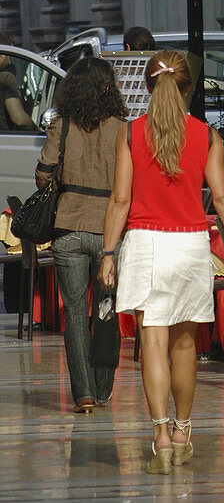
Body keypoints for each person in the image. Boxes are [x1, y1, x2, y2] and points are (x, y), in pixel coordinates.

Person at [99, 50, 224, 475]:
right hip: (190, 245)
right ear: (188, 87)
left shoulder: (131, 134)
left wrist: (109, 252)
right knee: (185, 344)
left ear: (148, 86)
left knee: (152, 341)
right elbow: (223, 198)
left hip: (146, 244)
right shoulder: (206, 135)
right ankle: (185, 431)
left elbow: (120, 200)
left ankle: (161, 436)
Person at [35, 57, 128, 413]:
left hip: (69, 229)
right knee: (106, 308)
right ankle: (103, 388)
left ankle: (83, 394)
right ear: (108, 88)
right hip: (110, 233)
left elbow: (43, 174)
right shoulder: (123, 129)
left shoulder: (62, 126)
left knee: (74, 314)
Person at [0, 31, 36, 130]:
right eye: (9, 55)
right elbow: (19, 120)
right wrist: (37, 128)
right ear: (2, 55)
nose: (10, 61)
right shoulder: (6, 78)